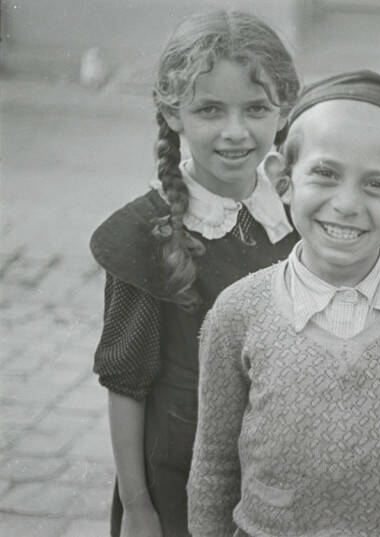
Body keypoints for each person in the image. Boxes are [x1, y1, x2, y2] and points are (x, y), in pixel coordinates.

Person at [188, 70, 380, 537]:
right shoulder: (239, 311)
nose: (346, 204)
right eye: (325, 174)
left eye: (377, 185)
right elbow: (213, 463)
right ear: (282, 180)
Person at [89, 10, 300, 537]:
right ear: (173, 112)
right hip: (177, 478)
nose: (235, 132)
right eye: (210, 109)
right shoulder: (146, 232)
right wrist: (138, 507)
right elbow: (126, 384)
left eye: (256, 109)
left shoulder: (297, 217)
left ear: (284, 109)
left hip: (280, 471)